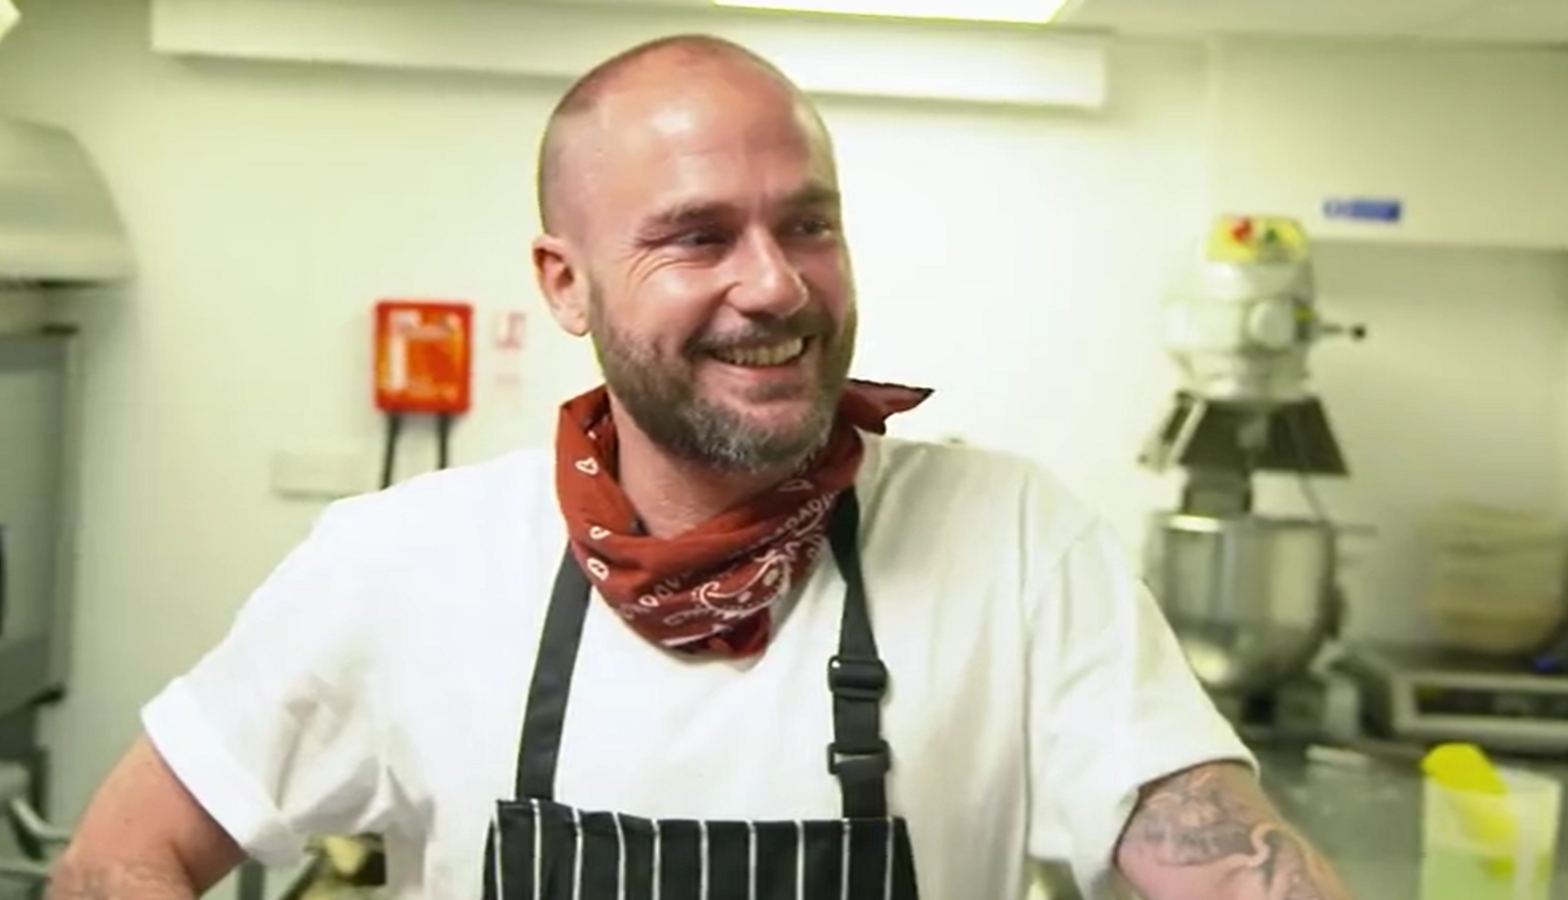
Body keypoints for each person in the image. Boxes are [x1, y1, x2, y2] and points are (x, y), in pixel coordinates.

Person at [48, 33, 1357, 900]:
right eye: (695, 237)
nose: (776, 284)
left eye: (808, 224)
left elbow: (1222, 856)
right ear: (567, 284)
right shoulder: (402, 564)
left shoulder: (1008, 542)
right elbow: (123, 858)